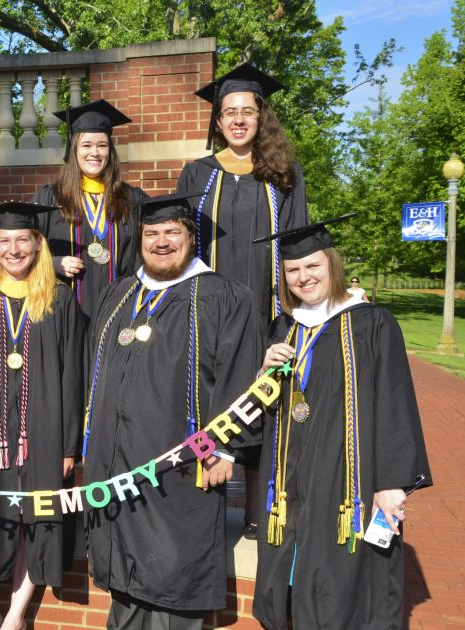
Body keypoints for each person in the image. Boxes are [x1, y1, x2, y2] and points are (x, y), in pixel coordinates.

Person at [81, 192, 262, 629]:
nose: (161, 241)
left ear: (191, 238)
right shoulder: (119, 295)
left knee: (173, 575)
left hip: (179, 468)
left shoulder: (223, 296)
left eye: (172, 232)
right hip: (115, 464)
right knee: (123, 576)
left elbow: (240, 375)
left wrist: (225, 448)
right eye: (151, 233)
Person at [251, 216, 431, 630]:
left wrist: (392, 483)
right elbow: (265, 411)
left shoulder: (371, 323)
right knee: (291, 586)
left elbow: (395, 403)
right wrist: (264, 373)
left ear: (331, 263)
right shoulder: (283, 327)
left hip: (348, 480)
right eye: (292, 270)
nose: (303, 277)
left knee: (345, 593)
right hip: (291, 482)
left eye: (312, 266)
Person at [178, 63, 309, 541]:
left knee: (262, 407)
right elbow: (179, 241)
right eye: (229, 112)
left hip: (264, 312)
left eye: (247, 112)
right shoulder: (197, 173)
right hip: (206, 312)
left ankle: (257, 513)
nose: (237, 120)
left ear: (261, 117)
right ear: (217, 121)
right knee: (203, 400)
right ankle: (198, 511)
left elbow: (298, 241)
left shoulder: (283, 174)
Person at [0, 201, 84, 630]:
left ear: (38, 245)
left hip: (45, 428)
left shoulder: (60, 301)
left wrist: (70, 444)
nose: (14, 250)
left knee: (39, 517)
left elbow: (74, 375)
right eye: (5, 241)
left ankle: (14, 615)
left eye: (23, 241)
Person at [32, 100, 147, 316]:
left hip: (120, 312)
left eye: (102, 145)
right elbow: (23, 247)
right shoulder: (50, 198)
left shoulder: (131, 199)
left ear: (110, 151)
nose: (95, 152)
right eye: (86, 145)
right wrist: (51, 263)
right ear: (73, 149)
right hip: (64, 314)